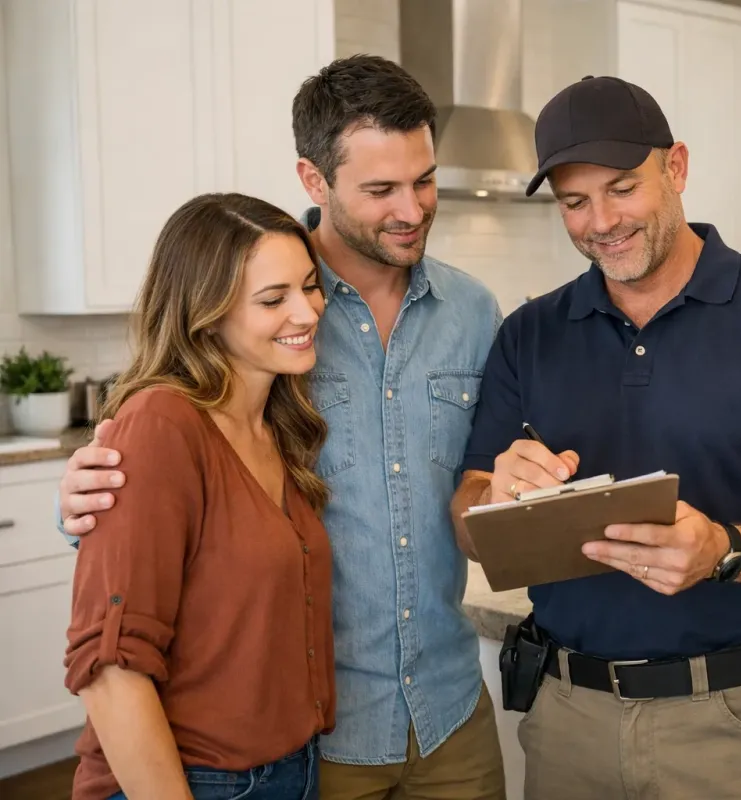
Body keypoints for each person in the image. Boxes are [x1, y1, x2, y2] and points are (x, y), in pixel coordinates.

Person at [55, 56, 507, 800]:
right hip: (317, 738)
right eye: (380, 189)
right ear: (313, 180)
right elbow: (154, 495)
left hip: (448, 708)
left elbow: (479, 481)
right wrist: (80, 504)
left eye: (424, 180)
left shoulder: (472, 311)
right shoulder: (255, 319)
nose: (412, 208)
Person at [449, 75, 741, 799]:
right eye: (575, 202)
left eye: (623, 188)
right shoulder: (528, 333)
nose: (601, 221)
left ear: (676, 168)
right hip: (565, 720)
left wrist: (725, 551)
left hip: (736, 725)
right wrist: (497, 493)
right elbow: (465, 518)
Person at [64, 192, 334, 800]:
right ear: (206, 313)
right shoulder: (161, 424)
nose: (308, 311)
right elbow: (109, 670)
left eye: (310, 287)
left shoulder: (275, 427)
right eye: (274, 299)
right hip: (192, 782)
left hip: (290, 770)